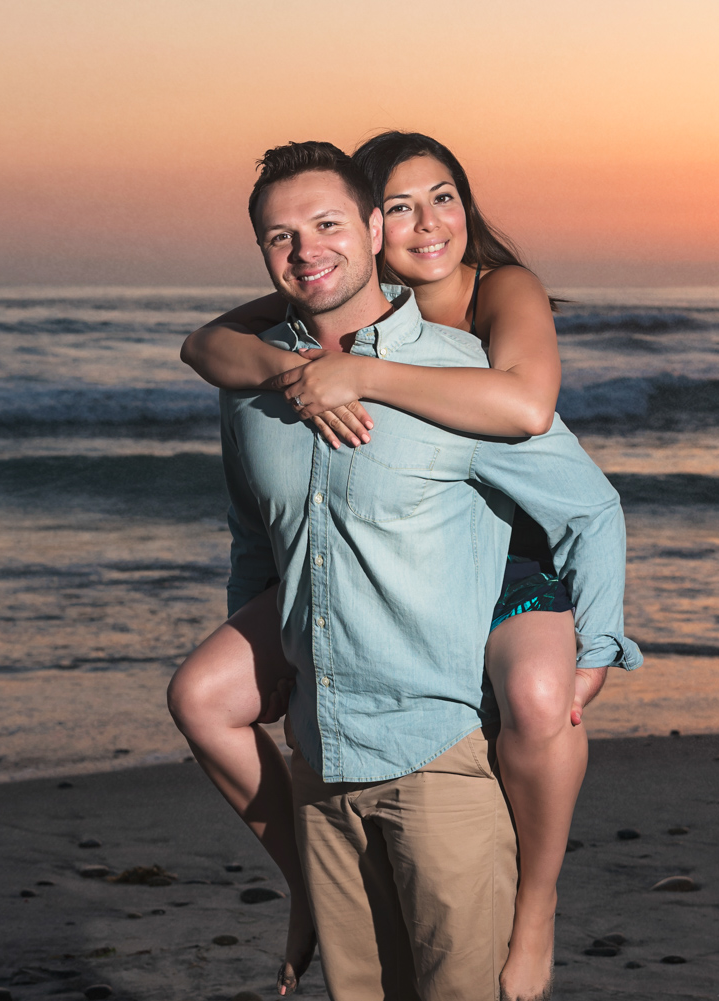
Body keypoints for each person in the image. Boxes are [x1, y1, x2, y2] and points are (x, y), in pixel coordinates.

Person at [168, 140, 640, 1000]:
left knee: (541, 701)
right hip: (323, 754)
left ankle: (538, 909)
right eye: (281, 237)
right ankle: (307, 888)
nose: (307, 249)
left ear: (362, 233)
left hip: (475, 628)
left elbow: (570, 476)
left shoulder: (487, 322)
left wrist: (599, 647)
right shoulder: (255, 385)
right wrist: (290, 371)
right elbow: (252, 526)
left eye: (325, 225)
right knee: (200, 694)